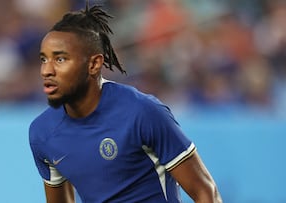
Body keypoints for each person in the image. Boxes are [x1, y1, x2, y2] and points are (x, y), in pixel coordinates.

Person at [29, 1, 222, 202]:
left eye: (60, 59)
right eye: (44, 59)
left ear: (94, 64)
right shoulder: (42, 133)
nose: (47, 70)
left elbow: (205, 192)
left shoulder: (142, 112)